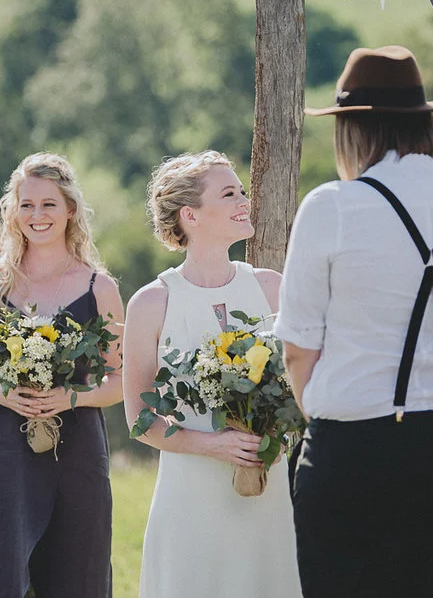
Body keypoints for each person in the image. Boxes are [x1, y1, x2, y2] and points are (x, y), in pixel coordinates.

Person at [276, 46, 433, 597]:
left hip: (357, 455)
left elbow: (298, 349)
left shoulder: (331, 206)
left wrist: (331, 423)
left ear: (354, 131)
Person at [122, 150, 302, 598]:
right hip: (190, 495)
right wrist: (212, 445)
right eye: (229, 194)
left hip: (267, 486)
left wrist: (280, 438)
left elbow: (303, 387)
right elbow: (138, 419)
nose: (244, 201)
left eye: (241, 191)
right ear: (191, 215)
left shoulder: (272, 288)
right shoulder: (151, 302)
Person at [0, 152, 123, 597]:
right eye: (26, 204)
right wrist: (1, 394)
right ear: (13, 211)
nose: (37, 215)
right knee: (2, 578)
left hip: (79, 454)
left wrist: (73, 398)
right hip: (2, 456)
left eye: (48, 204)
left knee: (79, 578)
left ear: (70, 209)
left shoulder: (99, 289)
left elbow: (119, 381)